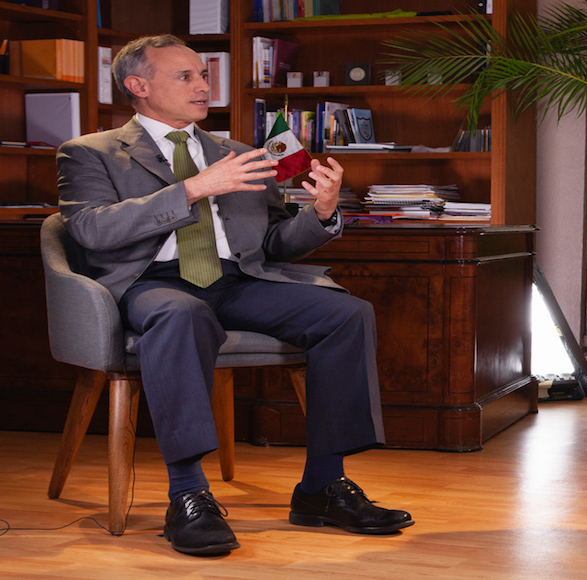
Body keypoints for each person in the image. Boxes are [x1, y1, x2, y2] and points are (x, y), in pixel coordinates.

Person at [56, 35, 413, 556]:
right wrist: (194, 188)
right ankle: (188, 495)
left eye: (203, 75)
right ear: (138, 85)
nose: (203, 86)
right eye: (185, 76)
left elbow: (272, 243)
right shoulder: (91, 152)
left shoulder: (241, 154)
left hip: (237, 280)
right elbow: (91, 230)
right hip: (152, 284)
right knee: (182, 314)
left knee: (345, 313)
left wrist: (320, 213)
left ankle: (322, 486)